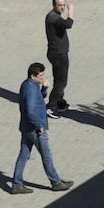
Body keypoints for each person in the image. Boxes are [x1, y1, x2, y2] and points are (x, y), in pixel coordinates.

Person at [12, 62, 72, 195]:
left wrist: (44, 89)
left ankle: (16, 184)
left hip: (26, 127)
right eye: (41, 75)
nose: (43, 77)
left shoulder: (27, 84)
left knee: (23, 155)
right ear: (33, 76)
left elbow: (40, 98)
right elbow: (31, 110)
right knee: (46, 156)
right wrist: (39, 126)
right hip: (36, 129)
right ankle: (56, 182)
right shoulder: (31, 89)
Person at [44, 0, 74, 117]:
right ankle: (51, 106)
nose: (62, 7)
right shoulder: (53, 18)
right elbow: (68, 24)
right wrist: (71, 11)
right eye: (59, 5)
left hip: (58, 52)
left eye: (63, 5)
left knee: (59, 79)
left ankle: (59, 102)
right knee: (61, 82)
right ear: (54, 5)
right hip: (58, 54)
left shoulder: (53, 16)